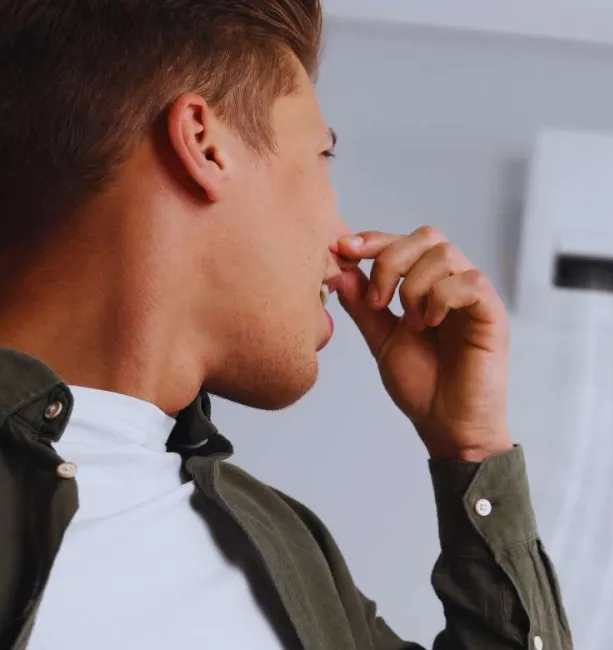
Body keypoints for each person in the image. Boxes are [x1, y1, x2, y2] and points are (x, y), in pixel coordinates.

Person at [0, 2, 571, 648]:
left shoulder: (287, 550)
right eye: (323, 157)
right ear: (204, 144)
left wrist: (472, 449)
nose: (341, 239)